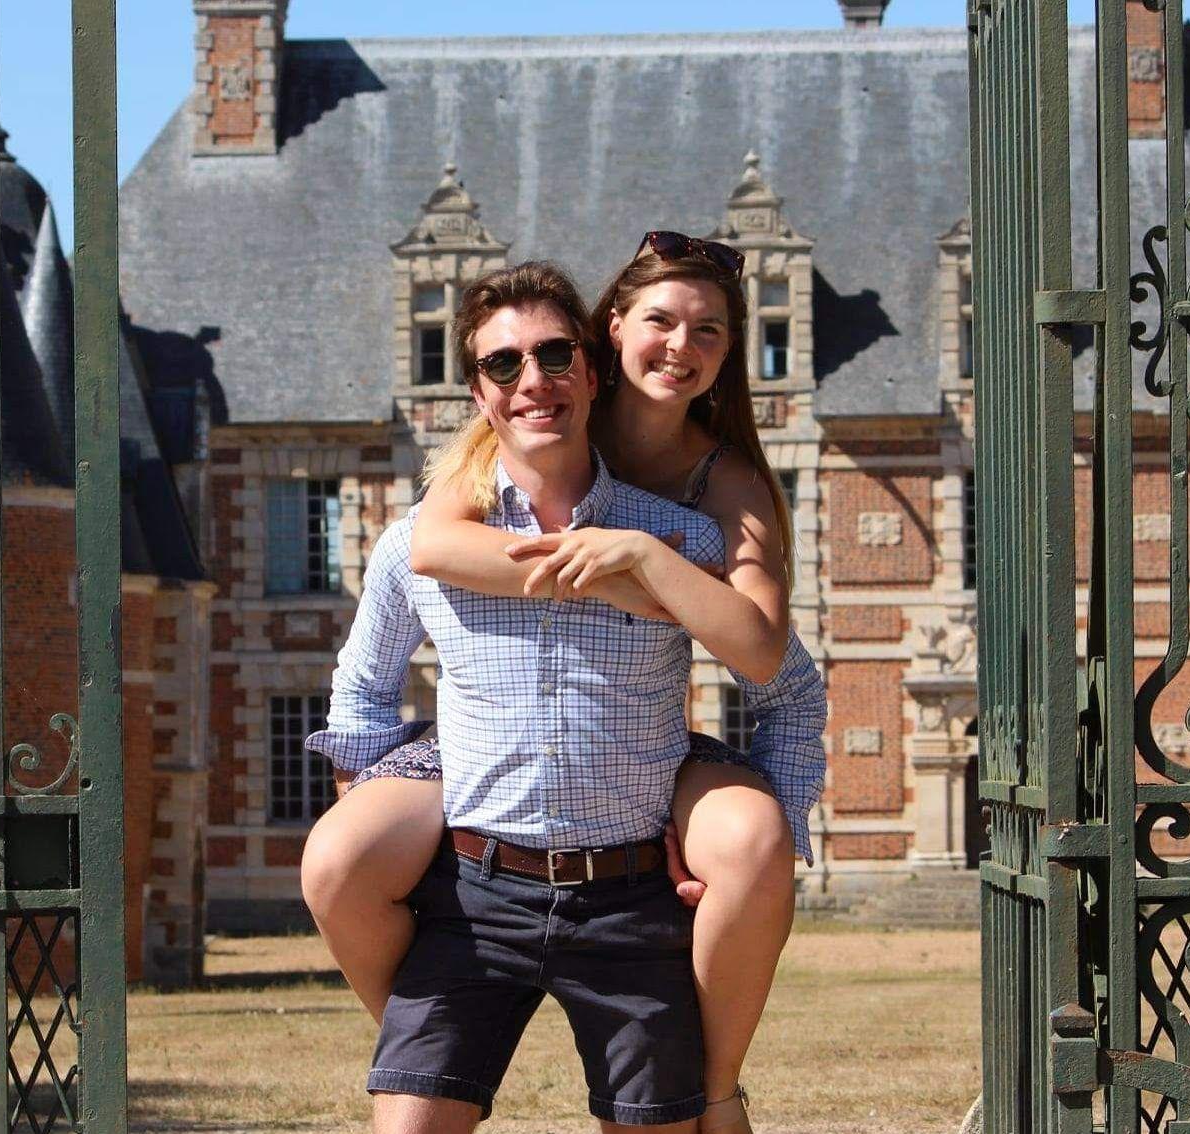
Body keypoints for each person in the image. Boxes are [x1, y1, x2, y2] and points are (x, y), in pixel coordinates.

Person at [305, 245, 824, 1134]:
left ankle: (717, 1087)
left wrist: (741, 838)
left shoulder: (691, 534)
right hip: (474, 891)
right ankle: (433, 1046)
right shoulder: (427, 538)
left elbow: (783, 679)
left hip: (630, 888)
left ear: (589, 369)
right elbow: (359, 692)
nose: (532, 380)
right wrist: (382, 811)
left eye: (553, 356)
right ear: (477, 392)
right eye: (503, 365)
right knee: (337, 867)